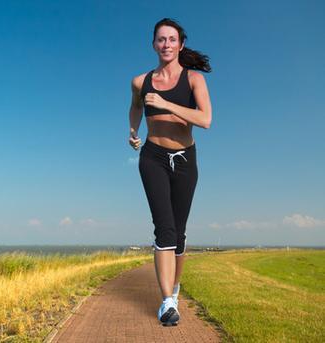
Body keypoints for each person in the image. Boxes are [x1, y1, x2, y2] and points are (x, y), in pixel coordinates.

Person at [128, 18, 212, 326]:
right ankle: (166, 302)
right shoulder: (140, 81)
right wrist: (133, 130)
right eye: (161, 39)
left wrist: (165, 104)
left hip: (185, 159)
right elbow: (135, 106)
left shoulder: (193, 80)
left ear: (180, 44)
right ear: (154, 44)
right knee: (163, 228)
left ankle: (174, 289)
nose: (166, 44)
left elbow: (205, 119)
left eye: (171, 39)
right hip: (153, 157)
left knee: (179, 232)